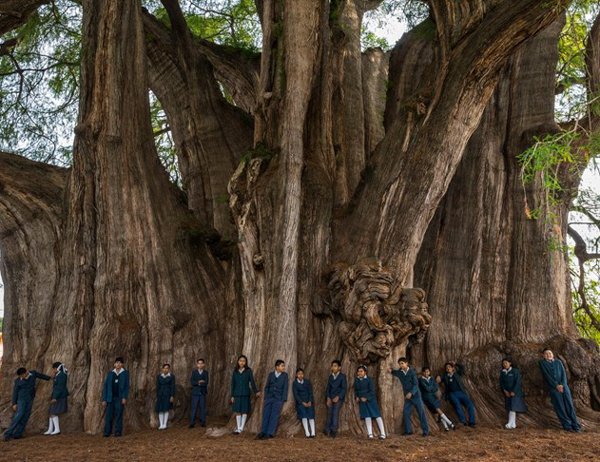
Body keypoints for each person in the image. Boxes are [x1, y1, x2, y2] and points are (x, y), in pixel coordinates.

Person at [538, 348, 580, 432]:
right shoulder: (542, 363)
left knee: (569, 405)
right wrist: (556, 385)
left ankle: (576, 425)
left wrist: (562, 384)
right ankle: (567, 426)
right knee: (560, 407)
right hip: (553, 388)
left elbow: (564, 374)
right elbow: (547, 376)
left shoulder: (558, 362)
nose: (548, 355)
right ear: (543, 356)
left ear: (553, 354)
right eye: (546, 354)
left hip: (564, 387)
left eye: (550, 353)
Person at [3, 367, 51, 441]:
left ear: (26, 372)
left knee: (26, 416)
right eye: (20, 376)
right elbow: (15, 392)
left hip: (30, 399)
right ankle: (7, 434)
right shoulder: (18, 381)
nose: (21, 377)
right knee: (19, 415)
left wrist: (50, 378)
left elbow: (42, 376)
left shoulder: (33, 374)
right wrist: (14, 403)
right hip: (21, 400)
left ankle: (17, 434)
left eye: (22, 375)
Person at [390, 358, 428, 436]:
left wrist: (411, 393)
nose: (401, 365)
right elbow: (394, 372)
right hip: (407, 397)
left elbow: (415, 384)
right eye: (399, 364)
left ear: (406, 363)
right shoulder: (400, 373)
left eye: (402, 363)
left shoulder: (412, 372)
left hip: (416, 395)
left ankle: (425, 431)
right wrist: (390, 370)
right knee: (406, 412)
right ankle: (408, 431)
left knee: (421, 413)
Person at [437, 361, 476, 427]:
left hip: (461, 392)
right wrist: (437, 376)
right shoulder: (445, 376)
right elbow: (438, 379)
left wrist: (456, 364)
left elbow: (462, 368)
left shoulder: (457, 374)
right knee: (457, 405)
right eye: (446, 368)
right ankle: (463, 422)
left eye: (449, 367)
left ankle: (472, 422)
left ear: (453, 368)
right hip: (452, 394)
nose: (448, 368)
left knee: (470, 404)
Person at [257, 359, 289, 440]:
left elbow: (285, 387)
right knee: (266, 414)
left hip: (278, 399)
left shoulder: (285, 375)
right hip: (269, 398)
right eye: (282, 366)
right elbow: (267, 386)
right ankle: (263, 432)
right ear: (277, 367)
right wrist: (266, 397)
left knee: (274, 415)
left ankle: (270, 433)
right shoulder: (271, 374)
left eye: (284, 366)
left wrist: (283, 399)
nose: (283, 367)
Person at [418, 366, 455, 431]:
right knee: (437, 409)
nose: (426, 373)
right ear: (423, 373)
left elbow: (435, 388)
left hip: (433, 396)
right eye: (425, 372)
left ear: (429, 372)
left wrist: (431, 387)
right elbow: (427, 389)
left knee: (438, 410)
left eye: (427, 372)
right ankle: (450, 423)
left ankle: (446, 427)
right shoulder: (421, 379)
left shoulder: (431, 378)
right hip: (427, 398)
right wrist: (431, 387)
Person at [230, 355, 260, 434]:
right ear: (238, 361)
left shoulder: (248, 370)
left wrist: (256, 391)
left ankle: (241, 428)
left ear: (246, 362)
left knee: (244, 410)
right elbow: (233, 384)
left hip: (245, 393)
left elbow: (252, 381)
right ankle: (238, 427)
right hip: (237, 394)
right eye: (240, 361)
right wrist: (232, 395)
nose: (242, 362)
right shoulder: (235, 371)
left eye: (243, 361)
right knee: (237, 411)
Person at [354, 365, 386, 439]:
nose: (359, 373)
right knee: (367, 416)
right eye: (358, 371)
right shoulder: (357, 380)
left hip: (371, 400)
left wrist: (366, 397)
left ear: (365, 372)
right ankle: (370, 434)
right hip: (362, 401)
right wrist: (357, 397)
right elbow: (356, 390)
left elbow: (372, 391)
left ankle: (383, 433)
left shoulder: (369, 380)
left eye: (361, 371)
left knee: (377, 415)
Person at [101, 357, 130, 437]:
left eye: (120, 363)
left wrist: (124, 397)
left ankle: (118, 431)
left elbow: (126, 386)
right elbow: (106, 386)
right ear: (114, 364)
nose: (118, 364)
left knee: (118, 415)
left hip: (119, 398)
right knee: (109, 415)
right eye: (117, 363)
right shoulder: (110, 374)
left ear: (122, 364)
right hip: (110, 398)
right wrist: (104, 399)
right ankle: (107, 432)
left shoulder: (125, 374)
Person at [499, 358, 527, 429]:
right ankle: (512, 423)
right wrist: (505, 391)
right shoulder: (503, 372)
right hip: (507, 393)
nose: (505, 364)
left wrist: (514, 391)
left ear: (510, 363)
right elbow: (501, 383)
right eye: (503, 363)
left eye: (506, 363)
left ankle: (511, 423)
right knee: (509, 407)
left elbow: (518, 382)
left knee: (513, 407)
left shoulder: (515, 371)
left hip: (515, 392)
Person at [44, 362, 69, 436]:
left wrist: (55, 397)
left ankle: (57, 429)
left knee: (53, 412)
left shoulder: (61, 375)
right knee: (51, 412)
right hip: (57, 395)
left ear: (56, 368)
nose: (53, 370)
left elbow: (59, 387)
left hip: (59, 396)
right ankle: (50, 429)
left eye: (54, 369)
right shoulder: (58, 375)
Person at [324, 359, 347, 438]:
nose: (333, 368)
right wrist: (328, 398)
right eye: (332, 366)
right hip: (330, 397)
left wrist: (338, 397)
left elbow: (344, 388)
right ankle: (327, 429)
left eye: (335, 366)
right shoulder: (331, 377)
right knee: (329, 413)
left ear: (339, 368)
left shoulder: (342, 376)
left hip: (338, 398)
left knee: (335, 413)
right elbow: (328, 388)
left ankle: (334, 430)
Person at [292, 368, 316, 438]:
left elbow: (310, 392)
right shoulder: (295, 383)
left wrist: (310, 401)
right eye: (299, 374)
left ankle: (313, 433)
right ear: (296, 375)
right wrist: (302, 402)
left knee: (311, 416)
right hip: (301, 403)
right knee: (304, 416)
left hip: (309, 401)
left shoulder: (307, 382)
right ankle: (307, 433)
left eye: (302, 374)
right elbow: (296, 394)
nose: (301, 375)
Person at [189, 358, 209, 428]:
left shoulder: (205, 372)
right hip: (195, 393)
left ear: (203, 364)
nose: (200, 365)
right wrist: (199, 382)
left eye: (201, 363)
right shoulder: (194, 372)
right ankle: (192, 422)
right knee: (194, 408)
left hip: (202, 393)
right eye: (199, 363)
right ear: (197, 364)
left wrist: (199, 383)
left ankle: (203, 422)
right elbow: (192, 382)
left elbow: (206, 382)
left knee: (202, 407)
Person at [156, 363, 176, 430]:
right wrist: (157, 395)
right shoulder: (159, 376)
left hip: (167, 394)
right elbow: (157, 386)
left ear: (169, 369)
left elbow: (173, 386)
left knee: (166, 409)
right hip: (160, 394)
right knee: (160, 409)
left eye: (167, 368)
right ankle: (161, 424)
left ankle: (165, 424)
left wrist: (172, 395)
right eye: (164, 368)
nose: (165, 369)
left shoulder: (171, 376)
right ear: (162, 369)